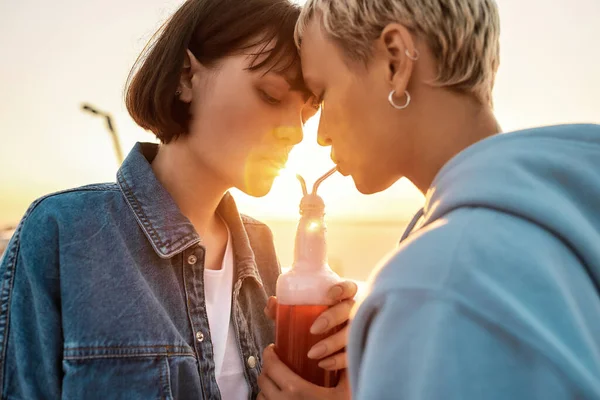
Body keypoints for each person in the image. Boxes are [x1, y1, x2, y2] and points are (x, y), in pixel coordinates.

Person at [0, 0, 356, 398]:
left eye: (306, 114)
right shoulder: (63, 232)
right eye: (272, 95)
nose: (295, 132)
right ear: (186, 77)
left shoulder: (263, 250)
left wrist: (339, 374)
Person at [258, 0, 600, 399]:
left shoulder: (437, 283)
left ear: (396, 61)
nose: (321, 135)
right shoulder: (570, 215)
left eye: (323, 92)